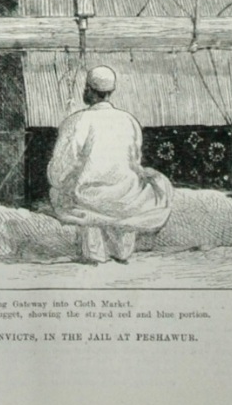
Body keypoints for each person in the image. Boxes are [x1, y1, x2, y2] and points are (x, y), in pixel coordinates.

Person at [47, 66, 173, 264]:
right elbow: (134, 161)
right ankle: (122, 250)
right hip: (126, 198)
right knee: (135, 188)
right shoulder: (129, 120)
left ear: (88, 90)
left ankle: (95, 254)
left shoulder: (77, 120)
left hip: (89, 199)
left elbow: (61, 167)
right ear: (110, 92)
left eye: (86, 88)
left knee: (64, 193)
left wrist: (57, 182)